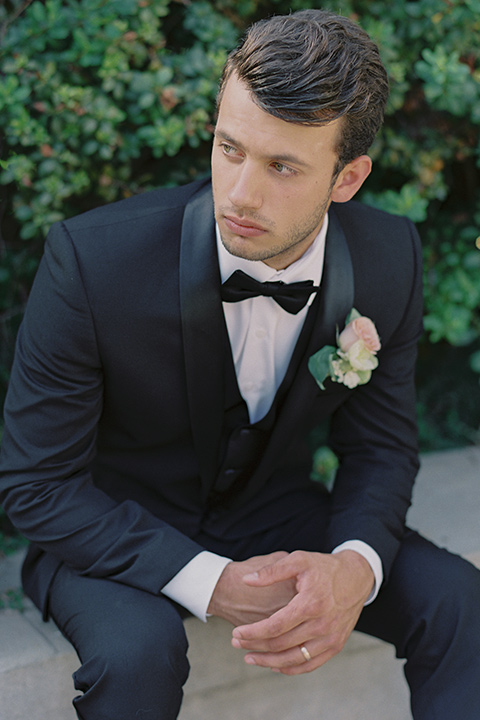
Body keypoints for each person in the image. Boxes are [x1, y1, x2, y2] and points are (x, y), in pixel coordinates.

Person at [0, 9, 479, 720]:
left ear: (347, 178)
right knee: (137, 655)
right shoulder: (93, 262)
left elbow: (379, 448)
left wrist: (353, 566)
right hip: (109, 525)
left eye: (283, 166)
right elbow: (35, 485)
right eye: (230, 149)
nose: (240, 194)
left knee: (460, 603)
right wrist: (212, 582)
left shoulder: (387, 258)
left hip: (272, 512)